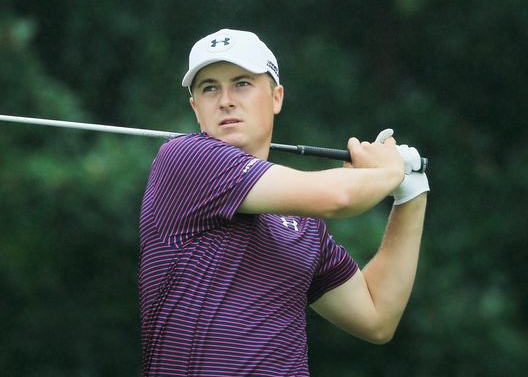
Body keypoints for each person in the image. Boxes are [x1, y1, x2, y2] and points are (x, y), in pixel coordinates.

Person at [138, 28, 429, 376]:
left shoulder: (300, 222)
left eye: (242, 83)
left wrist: (411, 194)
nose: (226, 99)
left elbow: (376, 316)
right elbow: (339, 197)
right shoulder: (185, 159)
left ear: (276, 97)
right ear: (196, 108)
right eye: (209, 87)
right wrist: (388, 171)